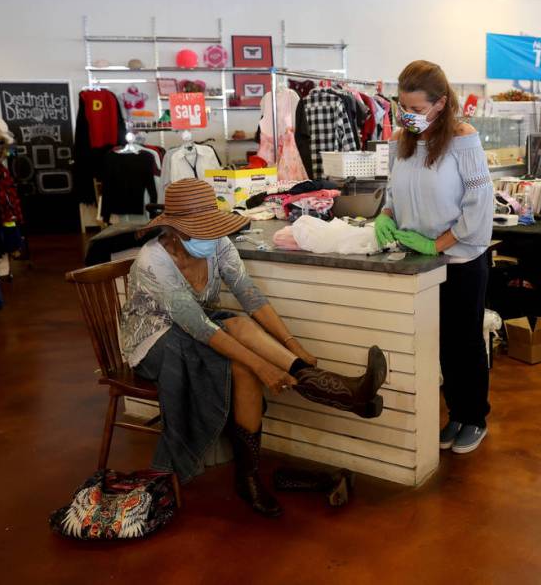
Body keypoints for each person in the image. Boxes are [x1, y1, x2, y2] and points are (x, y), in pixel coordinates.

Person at [118, 178, 387, 517]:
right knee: (244, 368)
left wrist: (292, 345)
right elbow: (198, 327)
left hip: (197, 324)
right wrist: (261, 366)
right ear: (174, 232)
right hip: (155, 342)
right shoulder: (153, 260)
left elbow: (248, 294)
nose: (207, 236)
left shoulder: (215, 243)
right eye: (197, 231)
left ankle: (344, 392)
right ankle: (249, 476)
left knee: (241, 323)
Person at [375, 60, 494, 454]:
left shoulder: (463, 139)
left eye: (416, 109)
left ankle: (473, 417)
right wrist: (387, 216)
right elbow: (394, 190)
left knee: (464, 342)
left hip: (459, 259)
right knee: (436, 344)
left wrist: (439, 243)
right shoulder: (401, 138)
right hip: (419, 260)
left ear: (440, 103)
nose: (407, 115)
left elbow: (479, 203)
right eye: (401, 107)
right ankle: (453, 414)